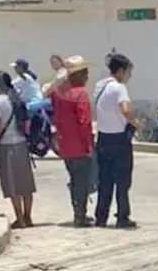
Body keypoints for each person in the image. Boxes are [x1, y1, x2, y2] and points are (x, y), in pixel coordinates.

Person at [0, 71, 37, 228]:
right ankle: (28, 217)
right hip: (22, 145)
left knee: (12, 185)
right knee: (26, 184)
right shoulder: (16, 98)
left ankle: (20, 219)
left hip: (6, 146)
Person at [93, 53, 137, 228]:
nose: (129, 76)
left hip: (103, 138)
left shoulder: (99, 86)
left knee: (105, 180)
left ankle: (101, 217)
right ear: (120, 71)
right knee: (122, 181)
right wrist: (134, 122)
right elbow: (125, 109)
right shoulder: (119, 88)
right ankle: (122, 216)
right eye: (128, 72)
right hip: (119, 139)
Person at [51, 56, 95, 227]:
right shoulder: (80, 93)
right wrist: (89, 144)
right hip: (79, 145)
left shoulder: (59, 92)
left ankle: (77, 212)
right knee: (82, 181)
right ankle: (80, 215)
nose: (87, 77)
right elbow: (84, 122)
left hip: (65, 144)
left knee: (74, 180)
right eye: (85, 73)